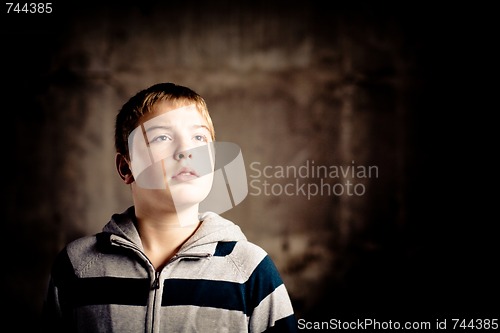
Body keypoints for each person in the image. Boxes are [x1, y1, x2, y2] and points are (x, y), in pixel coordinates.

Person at [41, 82, 298, 332]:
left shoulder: (250, 270)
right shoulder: (77, 267)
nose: (186, 150)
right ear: (126, 167)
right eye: (161, 137)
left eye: (199, 137)